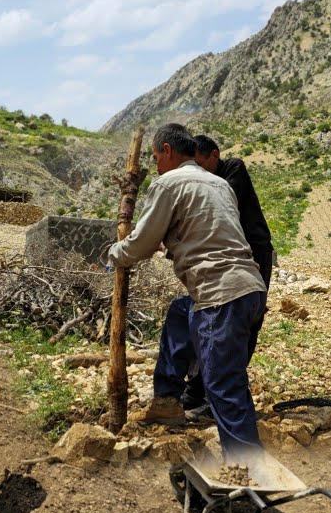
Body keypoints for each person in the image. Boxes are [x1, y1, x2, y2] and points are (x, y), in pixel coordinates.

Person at [108, 123, 267, 457]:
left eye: (156, 157)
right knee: (181, 313)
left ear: (167, 151)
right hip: (250, 288)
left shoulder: (168, 183)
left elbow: (142, 243)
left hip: (221, 295)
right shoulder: (220, 184)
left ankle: (249, 468)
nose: (155, 165)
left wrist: (115, 254)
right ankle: (167, 401)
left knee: (224, 385)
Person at [150, 135, 276, 421]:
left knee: (241, 324)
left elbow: (209, 208)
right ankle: (197, 390)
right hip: (221, 260)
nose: (197, 168)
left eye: (201, 162)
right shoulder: (206, 178)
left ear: (215, 156)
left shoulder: (231, 172)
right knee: (204, 318)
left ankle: (218, 395)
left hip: (251, 255)